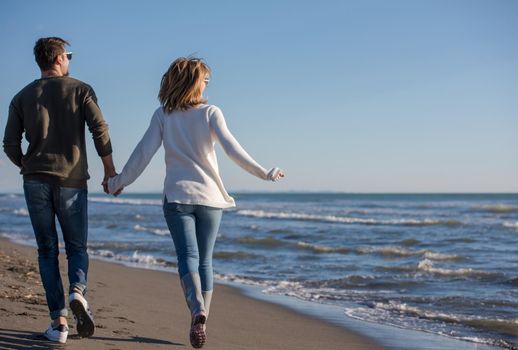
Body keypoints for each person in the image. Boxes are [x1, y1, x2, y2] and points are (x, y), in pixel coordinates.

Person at [107, 57, 284, 348]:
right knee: (205, 261)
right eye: (204, 79)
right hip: (210, 198)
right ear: (192, 81)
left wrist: (117, 183)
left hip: (177, 197)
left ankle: (196, 308)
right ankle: (201, 319)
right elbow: (232, 149)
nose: (205, 85)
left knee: (187, 257)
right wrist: (264, 173)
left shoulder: (163, 114)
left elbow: (142, 154)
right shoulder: (211, 113)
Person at [2, 37, 117, 344]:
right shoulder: (81, 90)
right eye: (69, 55)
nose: (70, 59)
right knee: (77, 247)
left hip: (35, 181)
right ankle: (77, 291)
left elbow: (10, 144)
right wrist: (109, 170)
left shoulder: (21, 96)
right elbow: (99, 129)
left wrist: (27, 164)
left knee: (47, 250)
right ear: (58, 58)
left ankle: (59, 323)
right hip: (72, 180)